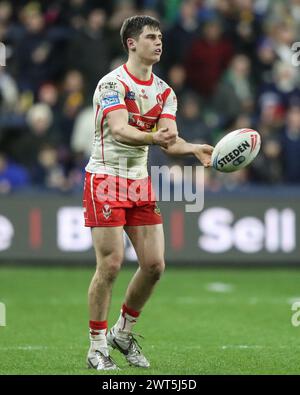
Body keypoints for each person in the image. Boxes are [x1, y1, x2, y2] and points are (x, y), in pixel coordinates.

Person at [83, 15, 213, 371]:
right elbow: (120, 129)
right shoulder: (112, 84)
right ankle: (96, 346)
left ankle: (122, 334)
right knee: (109, 265)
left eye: (160, 38)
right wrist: (155, 138)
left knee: (154, 266)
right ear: (131, 42)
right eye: (151, 37)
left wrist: (194, 148)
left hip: (139, 181)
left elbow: (169, 140)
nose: (159, 43)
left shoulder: (165, 92)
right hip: (106, 178)